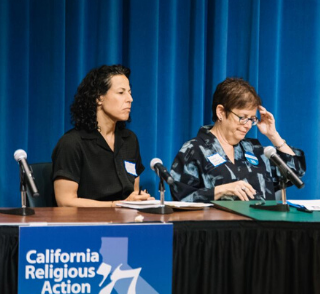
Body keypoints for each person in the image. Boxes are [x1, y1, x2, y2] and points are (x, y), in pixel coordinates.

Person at [169, 77, 306, 202]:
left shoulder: (255, 149)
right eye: (242, 117)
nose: (247, 125)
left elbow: (295, 172)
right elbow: (181, 197)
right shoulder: (194, 150)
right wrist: (221, 190)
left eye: (252, 119)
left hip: (261, 227)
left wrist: (273, 134)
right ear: (221, 112)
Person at [52, 64, 152, 207]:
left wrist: (139, 201)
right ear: (99, 98)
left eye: (129, 92)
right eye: (121, 92)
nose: (130, 99)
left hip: (126, 223)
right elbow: (65, 202)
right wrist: (117, 205)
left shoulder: (129, 140)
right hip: (87, 225)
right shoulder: (72, 143)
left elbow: (133, 193)